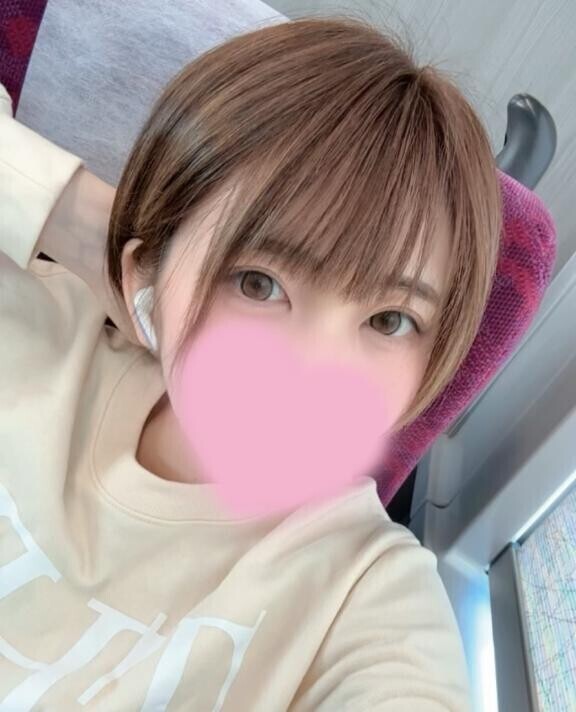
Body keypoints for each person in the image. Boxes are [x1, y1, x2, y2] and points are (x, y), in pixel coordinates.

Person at [0, 16, 501, 711]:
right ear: (145, 271)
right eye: (258, 282)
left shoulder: (363, 593)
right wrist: (84, 227)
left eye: (390, 321)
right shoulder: (37, 323)